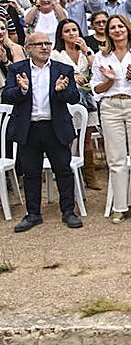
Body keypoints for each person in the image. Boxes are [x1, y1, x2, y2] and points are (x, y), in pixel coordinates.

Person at [2, 31, 82, 232]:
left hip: (55, 128)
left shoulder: (63, 69)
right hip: (28, 128)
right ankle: (33, 214)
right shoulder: (17, 69)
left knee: (63, 170)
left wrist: (61, 91)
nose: (45, 47)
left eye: (47, 43)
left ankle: (68, 211)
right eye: (39, 44)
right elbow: (7, 95)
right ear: (28, 48)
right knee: (31, 173)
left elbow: (74, 97)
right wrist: (21, 90)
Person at [91, 14, 131, 223]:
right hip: (110, 106)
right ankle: (119, 205)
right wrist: (109, 81)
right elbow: (96, 89)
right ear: (108, 32)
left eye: (120, 26)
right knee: (115, 158)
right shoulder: (102, 56)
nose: (117, 30)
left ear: (127, 29)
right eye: (113, 27)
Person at [51, 18, 100, 189]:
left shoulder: (85, 52)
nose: (72, 33)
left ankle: (90, 176)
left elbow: (97, 68)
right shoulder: (57, 54)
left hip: (88, 98)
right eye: (67, 31)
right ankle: (68, 174)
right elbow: (54, 74)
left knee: (86, 138)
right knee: (70, 138)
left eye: (74, 30)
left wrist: (86, 50)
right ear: (61, 35)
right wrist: (71, 77)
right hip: (68, 99)